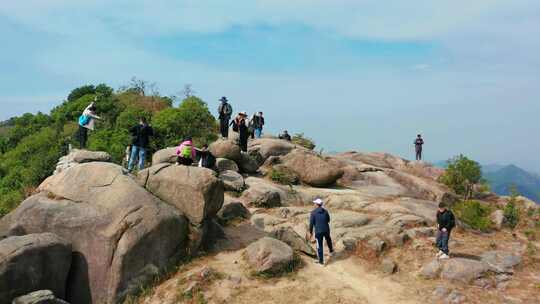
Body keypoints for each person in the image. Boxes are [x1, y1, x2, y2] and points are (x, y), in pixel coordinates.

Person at [309, 198, 334, 265]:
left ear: (317, 205)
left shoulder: (313, 213)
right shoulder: (325, 211)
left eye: (314, 203)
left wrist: (310, 232)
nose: (314, 204)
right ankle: (331, 251)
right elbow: (328, 220)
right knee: (328, 239)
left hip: (318, 231)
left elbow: (311, 224)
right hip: (326, 229)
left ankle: (321, 261)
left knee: (319, 245)